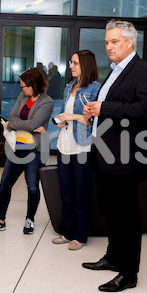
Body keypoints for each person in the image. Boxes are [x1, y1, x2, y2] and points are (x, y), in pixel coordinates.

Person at [81, 19, 147, 293]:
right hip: (105, 153)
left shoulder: (143, 70)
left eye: (114, 42)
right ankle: (113, 258)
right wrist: (96, 110)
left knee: (126, 215)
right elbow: (112, 107)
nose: (109, 47)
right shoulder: (113, 71)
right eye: (106, 42)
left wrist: (105, 107)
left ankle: (129, 273)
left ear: (130, 42)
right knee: (110, 210)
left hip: (126, 155)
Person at [0, 68, 53, 235]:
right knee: (4, 185)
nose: (21, 89)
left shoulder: (47, 102)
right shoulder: (23, 96)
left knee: (32, 188)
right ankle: (0, 220)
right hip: (17, 146)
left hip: (34, 149)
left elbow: (30, 123)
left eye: (24, 86)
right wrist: (22, 123)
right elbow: (13, 116)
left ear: (33, 85)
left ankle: (30, 219)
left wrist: (14, 124)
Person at [52, 50, 100, 250]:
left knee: (81, 193)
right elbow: (68, 113)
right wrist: (62, 121)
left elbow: (95, 119)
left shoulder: (95, 88)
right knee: (66, 192)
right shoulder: (69, 87)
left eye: (75, 63)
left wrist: (70, 117)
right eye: (71, 62)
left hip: (82, 146)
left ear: (85, 65)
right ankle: (68, 232)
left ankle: (80, 236)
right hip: (64, 144)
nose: (70, 66)